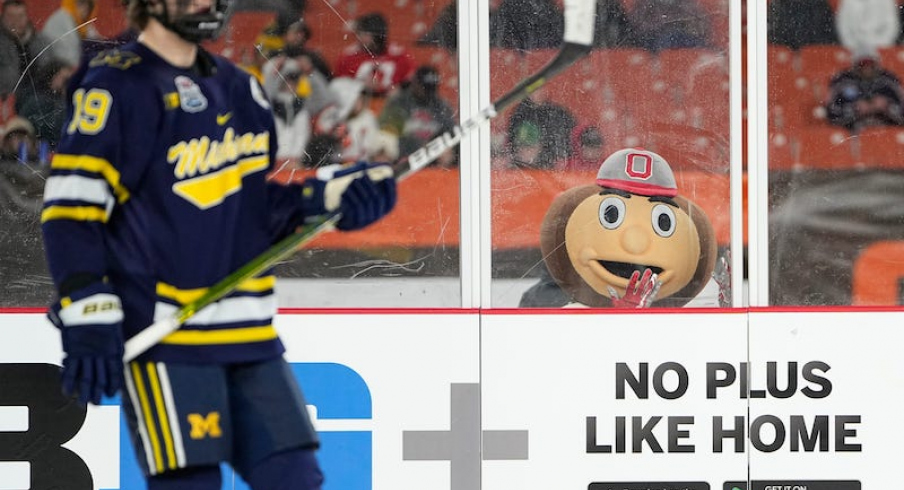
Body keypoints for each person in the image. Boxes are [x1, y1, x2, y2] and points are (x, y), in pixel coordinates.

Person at [41, 2, 397, 490]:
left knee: (296, 479)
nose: (204, 3)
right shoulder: (116, 86)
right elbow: (71, 208)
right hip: (168, 338)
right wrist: (87, 308)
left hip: (249, 336)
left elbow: (247, 209)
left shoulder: (239, 87)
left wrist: (330, 196)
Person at [378, 65, 456, 166]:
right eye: (424, 87)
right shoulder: (399, 102)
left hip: (432, 159)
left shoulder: (441, 105)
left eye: (431, 88)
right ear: (415, 83)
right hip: (402, 157)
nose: (428, 92)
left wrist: (433, 146)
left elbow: (450, 133)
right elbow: (388, 133)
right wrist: (418, 146)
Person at [334, 12, 416, 97]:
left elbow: (410, 82)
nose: (359, 38)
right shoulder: (348, 57)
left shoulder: (400, 55)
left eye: (365, 34)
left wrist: (399, 90)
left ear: (377, 35)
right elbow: (339, 86)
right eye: (358, 33)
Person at [825, 48, 904, 130]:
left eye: (871, 64)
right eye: (863, 64)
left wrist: (887, 106)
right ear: (855, 65)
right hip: (852, 132)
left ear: (877, 64)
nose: (867, 68)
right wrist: (855, 109)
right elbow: (831, 114)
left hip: (888, 131)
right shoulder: (842, 81)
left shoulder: (889, 80)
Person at [0, 0, 52, 99]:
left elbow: (50, 70)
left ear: (27, 17)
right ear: (3, 18)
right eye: (11, 17)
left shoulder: (41, 41)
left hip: (39, 99)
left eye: (20, 16)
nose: (16, 21)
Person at [627, 0, 710, 52]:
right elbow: (637, 24)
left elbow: (699, 20)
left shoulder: (686, 3)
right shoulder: (646, 3)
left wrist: (684, 25)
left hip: (683, 36)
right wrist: (658, 27)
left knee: (699, 46)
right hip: (654, 38)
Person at [41, 0, 104, 67]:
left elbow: (96, 38)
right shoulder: (64, 17)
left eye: (88, 5)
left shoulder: (82, 23)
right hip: (53, 65)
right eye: (81, 3)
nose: (85, 8)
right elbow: (73, 53)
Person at [835, 0, 901, 54]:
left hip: (882, 49)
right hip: (853, 50)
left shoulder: (886, 2)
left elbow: (891, 27)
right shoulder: (848, 2)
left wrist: (880, 46)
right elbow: (844, 29)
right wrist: (852, 46)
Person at [768, 0, 838, 50]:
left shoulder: (821, 5)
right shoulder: (778, 5)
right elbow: (774, 36)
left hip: (814, 50)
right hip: (785, 51)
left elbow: (829, 38)